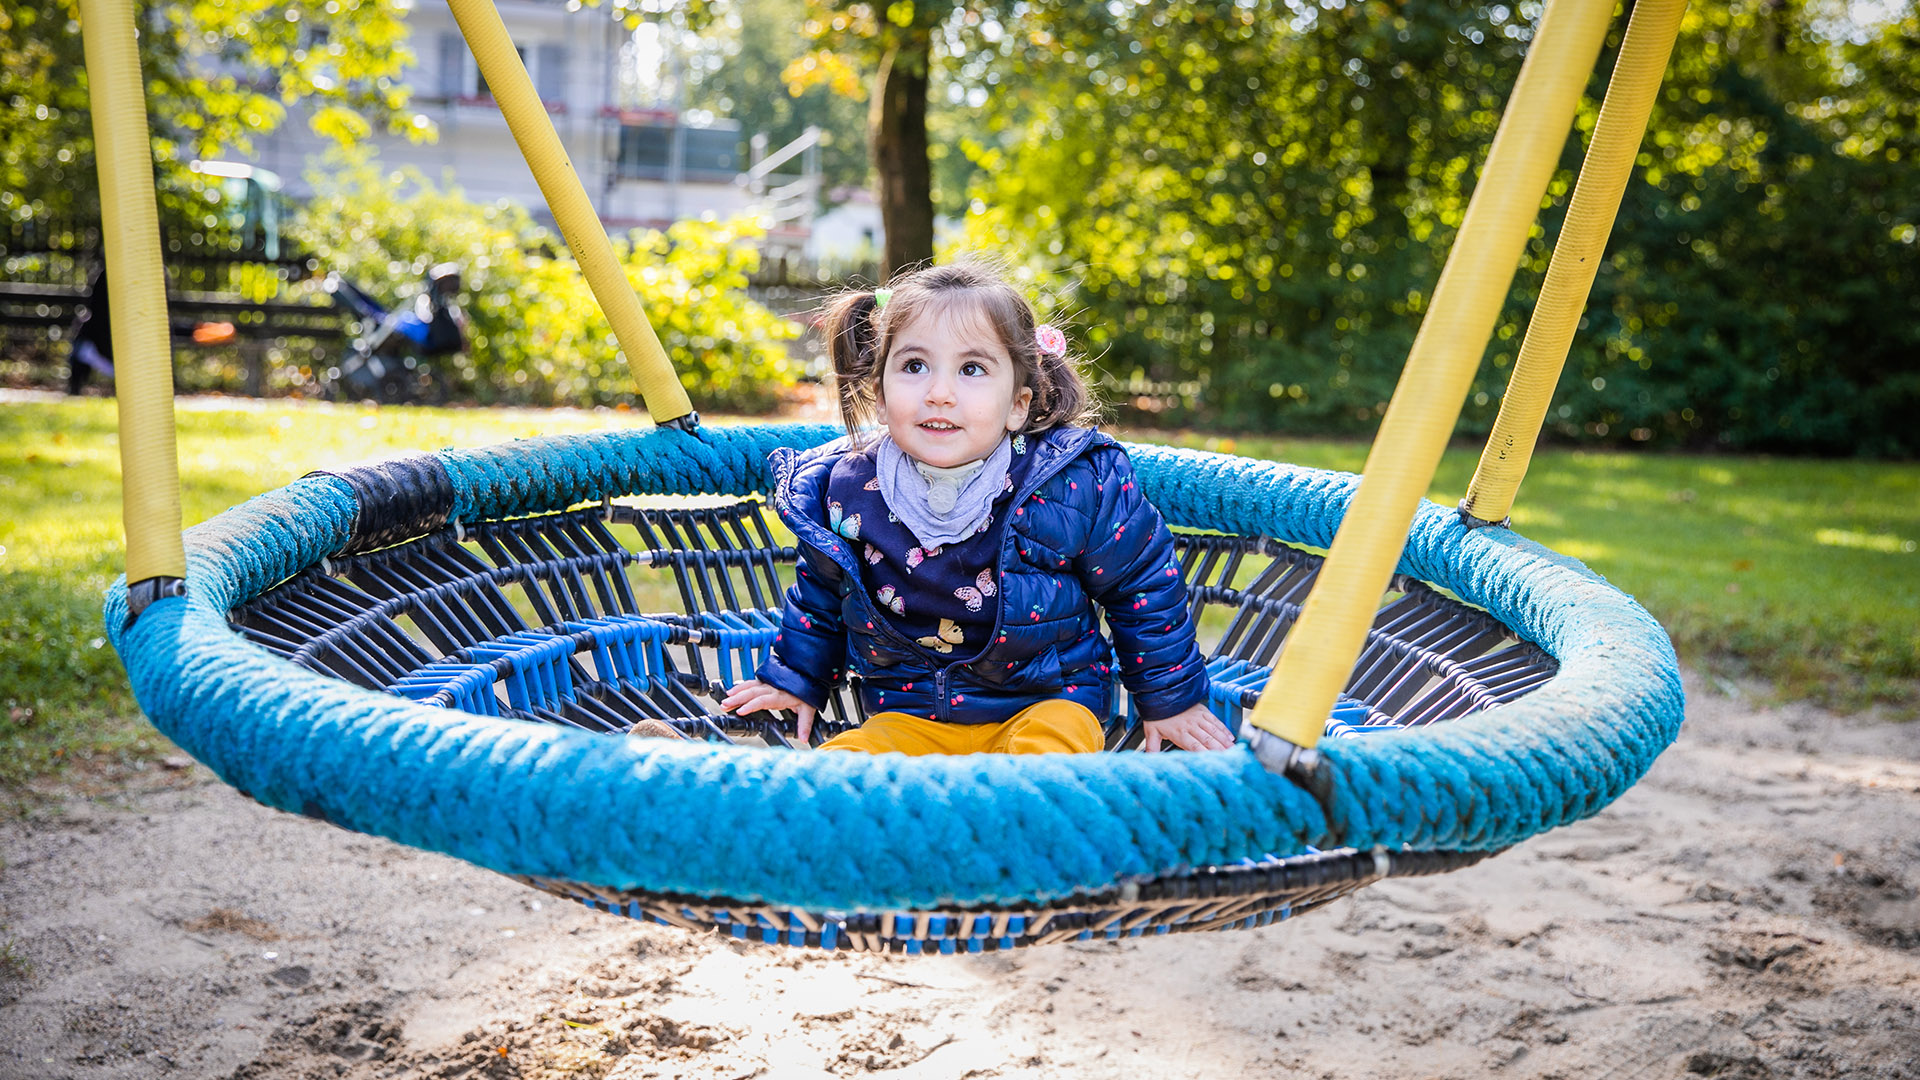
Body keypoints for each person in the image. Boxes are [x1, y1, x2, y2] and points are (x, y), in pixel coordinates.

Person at [713, 260, 1233, 755]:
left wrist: (1172, 699)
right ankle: (723, 780)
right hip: (909, 715)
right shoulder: (850, 488)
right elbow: (822, 597)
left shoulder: (1074, 483)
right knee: (850, 766)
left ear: (1017, 404)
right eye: (915, 366)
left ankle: (1017, 826)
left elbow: (1140, 585)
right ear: (878, 390)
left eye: (972, 369)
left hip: (1048, 703)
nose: (939, 393)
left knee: (1050, 758)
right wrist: (794, 682)